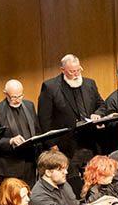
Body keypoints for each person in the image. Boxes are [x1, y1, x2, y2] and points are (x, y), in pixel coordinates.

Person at [38, 54, 104, 197]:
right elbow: (44, 120)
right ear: (63, 70)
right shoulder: (50, 87)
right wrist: (52, 145)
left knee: (94, 180)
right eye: (72, 71)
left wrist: (97, 113)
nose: (76, 74)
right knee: (73, 185)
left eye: (78, 70)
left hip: (89, 142)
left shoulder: (89, 84)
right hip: (65, 146)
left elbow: (101, 105)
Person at [0, 79, 41, 187]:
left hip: (29, 162)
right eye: (13, 97)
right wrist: (10, 140)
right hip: (9, 166)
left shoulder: (29, 105)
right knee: (12, 201)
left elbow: (37, 130)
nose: (17, 100)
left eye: (20, 96)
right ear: (5, 94)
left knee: (29, 197)